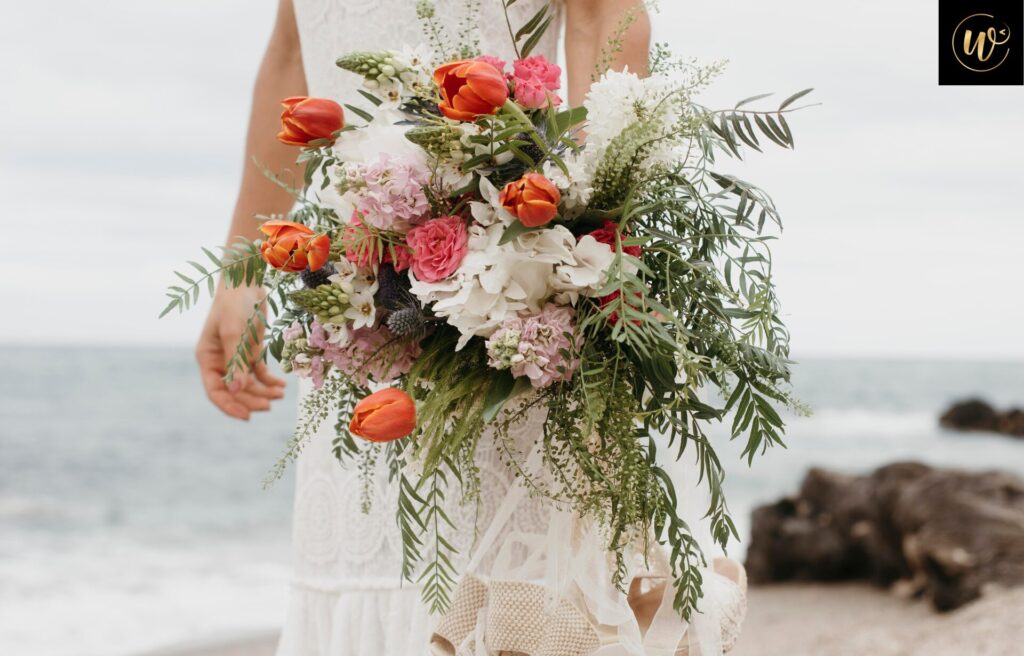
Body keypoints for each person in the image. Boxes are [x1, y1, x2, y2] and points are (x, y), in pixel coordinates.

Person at [195, 1, 665, 653]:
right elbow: (291, 48)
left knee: (502, 603)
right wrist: (242, 272)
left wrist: (591, 244)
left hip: (506, 294)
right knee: (369, 587)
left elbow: (602, 16)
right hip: (352, 303)